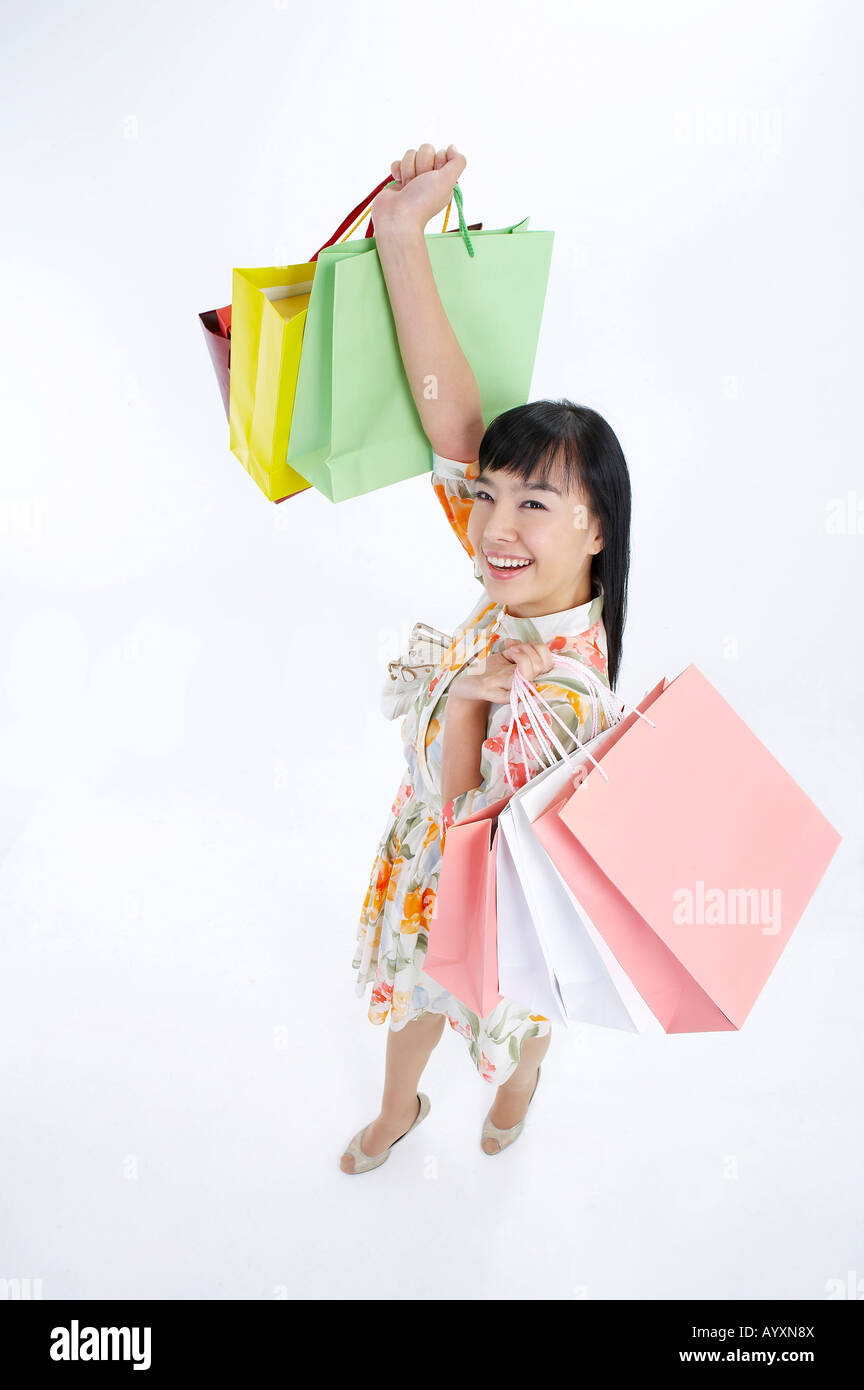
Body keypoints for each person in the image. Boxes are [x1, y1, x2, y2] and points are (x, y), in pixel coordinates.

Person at [341, 143, 632, 1173]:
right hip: (435, 877)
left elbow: (464, 811)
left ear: (597, 525)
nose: (492, 524)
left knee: (507, 1026)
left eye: (535, 503)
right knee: (414, 1001)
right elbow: (450, 416)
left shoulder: (560, 691)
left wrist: (461, 699)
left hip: (498, 897)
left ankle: (520, 1085)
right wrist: (401, 237)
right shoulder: (530, 583)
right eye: (488, 497)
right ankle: (397, 1111)